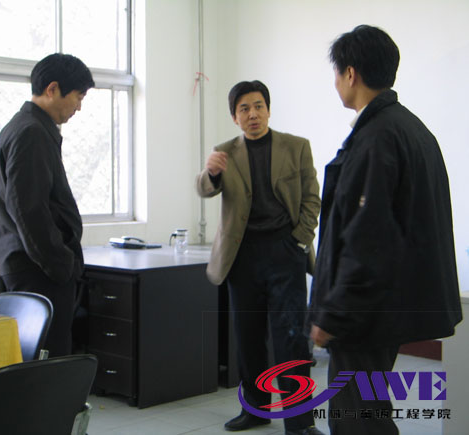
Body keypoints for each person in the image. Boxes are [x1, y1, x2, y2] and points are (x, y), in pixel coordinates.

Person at [309, 25, 463, 435]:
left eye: (337, 72)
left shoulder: (376, 138)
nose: (336, 82)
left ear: (351, 74)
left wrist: (333, 312)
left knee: (355, 419)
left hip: (364, 314)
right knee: (368, 411)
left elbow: (367, 238)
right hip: (384, 305)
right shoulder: (411, 129)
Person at [197, 80, 323, 434]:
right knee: (248, 338)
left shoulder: (296, 147)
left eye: (258, 106)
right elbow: (203, 187)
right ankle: (255, 410)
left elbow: (312, 199)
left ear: (268, 110)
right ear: (234, 117)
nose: (252, 114)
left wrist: (299, 240)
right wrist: (211, 172)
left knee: (291, 339)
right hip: (243, 256)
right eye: (244, 109)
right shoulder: (225, 152)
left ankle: (300, 422)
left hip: (286, 252)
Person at [0, 53, 94, 357]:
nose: (79, 107)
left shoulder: (25, 127)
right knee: (48, 362)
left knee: (38, 360)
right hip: (38, 270)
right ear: (53, 89)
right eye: (78, 96)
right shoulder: (32, 132)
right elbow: (29, 210)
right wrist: (62, 265)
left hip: (31, 266)